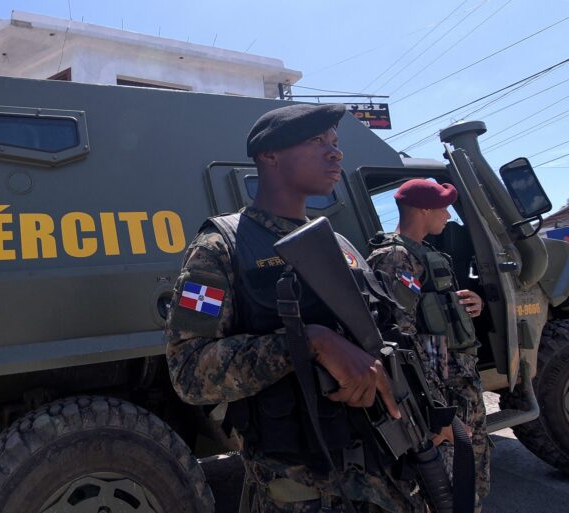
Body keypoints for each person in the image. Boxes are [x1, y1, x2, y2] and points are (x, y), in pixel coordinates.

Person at [165, 104, 428, 513]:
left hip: (384, 473)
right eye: (316, 141)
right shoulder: (221, 248)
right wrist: (308, 342)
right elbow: (189, 372)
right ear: (269, 156)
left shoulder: (340, 247)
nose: (335, 153)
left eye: (336, 142)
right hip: (302, 492)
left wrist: (429, 414)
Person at [366, 179, 489, 512]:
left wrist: (473, 303)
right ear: (423, 209)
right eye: (443, 207)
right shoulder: (394, 257)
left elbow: (437, 316)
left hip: (461, 385)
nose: (448, 215)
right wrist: (436, 413)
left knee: (473, 481)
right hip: (442, 397)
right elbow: (402, 341)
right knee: (449, 491)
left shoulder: (428, 253)